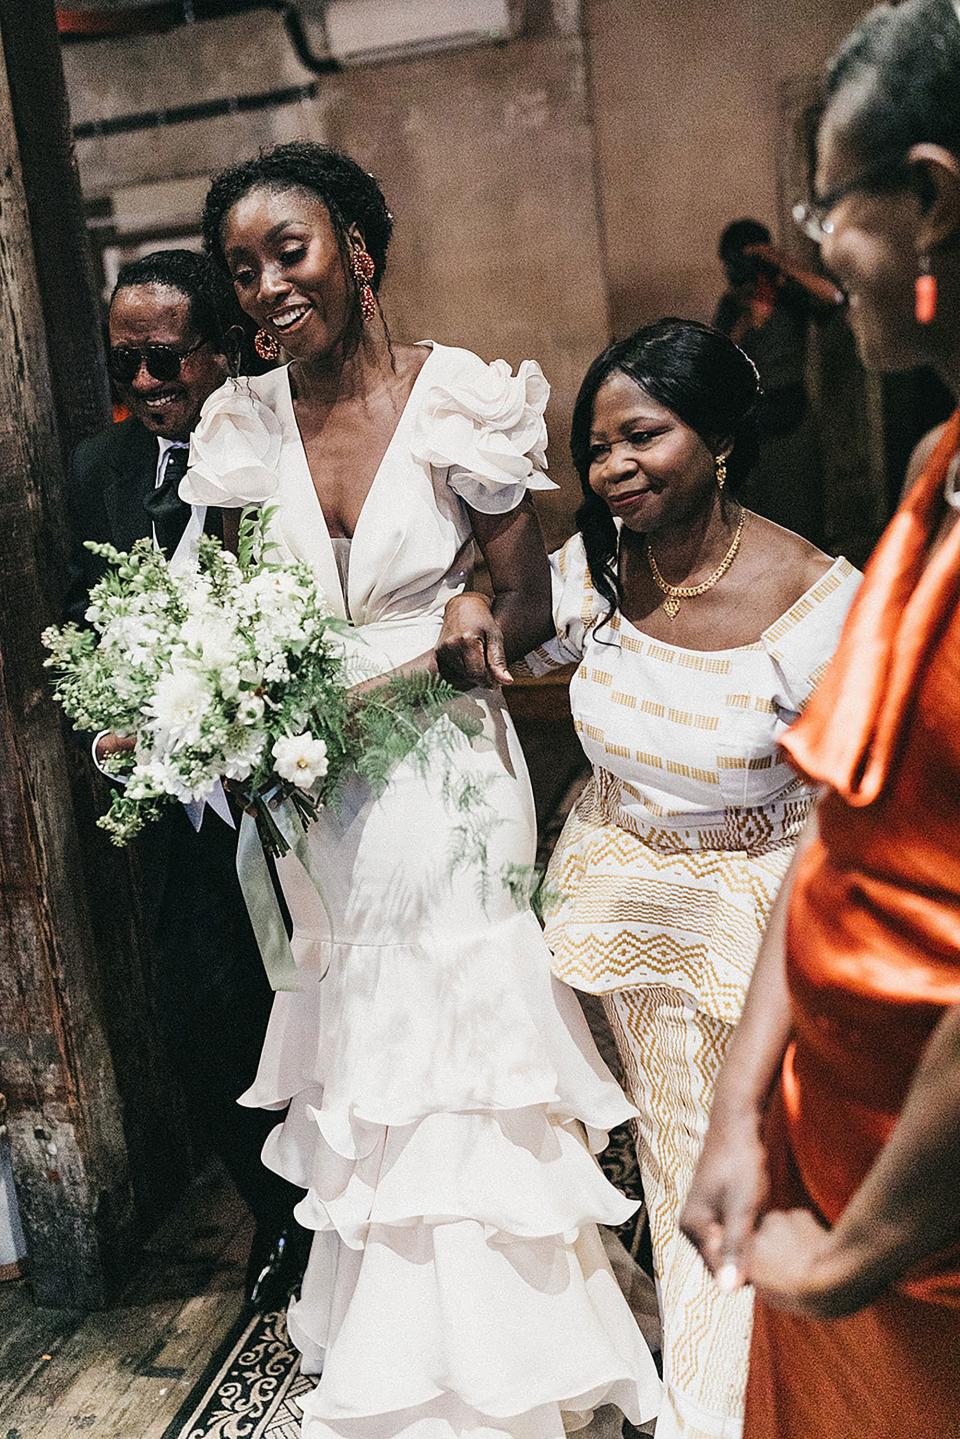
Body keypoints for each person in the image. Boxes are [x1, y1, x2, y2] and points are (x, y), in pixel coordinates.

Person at [183, 140, 662, 1439]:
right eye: (244, 268)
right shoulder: (237, 427)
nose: (270, 285)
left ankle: (519, 1370)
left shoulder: (460, 398)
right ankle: (396, 1363)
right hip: (310, 792)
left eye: (291, 250)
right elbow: (224, 612)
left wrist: (466, 618)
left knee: (460, 1044)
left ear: (360, 251)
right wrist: (199, 700)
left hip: (441, 768)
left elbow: (524, 597)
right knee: (363, 1052)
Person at [440, 318, 860, 1439]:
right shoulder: (600, 570)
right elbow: (516, 631)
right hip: (626, 908)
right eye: (596, 445)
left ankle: (767, 1394)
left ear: (719, 436)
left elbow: (865, 799)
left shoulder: (818, 603)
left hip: (762, 922)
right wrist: (475, 601)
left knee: (771, 1171)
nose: (613, 468)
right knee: (677, 1163)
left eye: (643, 436)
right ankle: (712, 1395)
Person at [681, 3, 960, 1434]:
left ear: (930, 197)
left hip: (925, 1234)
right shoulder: (936, 469)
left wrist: (854, 1255)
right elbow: (840, 827)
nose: (812, 246)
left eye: (828, 202)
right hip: (829, 1145)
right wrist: (743, 1108)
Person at [64, 249, 302, 1310]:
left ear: (223, 348)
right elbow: (82, 623)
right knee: (209, 1026)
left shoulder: (285, 450)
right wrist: (105, 730)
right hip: (178, 821)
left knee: (311, 1009)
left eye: (167, 358)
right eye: (129, 365)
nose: (150, 384)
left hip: (293, 801)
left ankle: (343, 1210)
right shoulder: (96, 476)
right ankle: (276, 1220)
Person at [714, 219, 844, 546]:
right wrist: (747, 317)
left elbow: (834, 297)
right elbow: (716, 358)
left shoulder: (791, 298)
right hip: (748, 422)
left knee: (803, 510)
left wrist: (781, 262)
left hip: (793, 414)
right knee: (756, 516)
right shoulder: (731, 307)